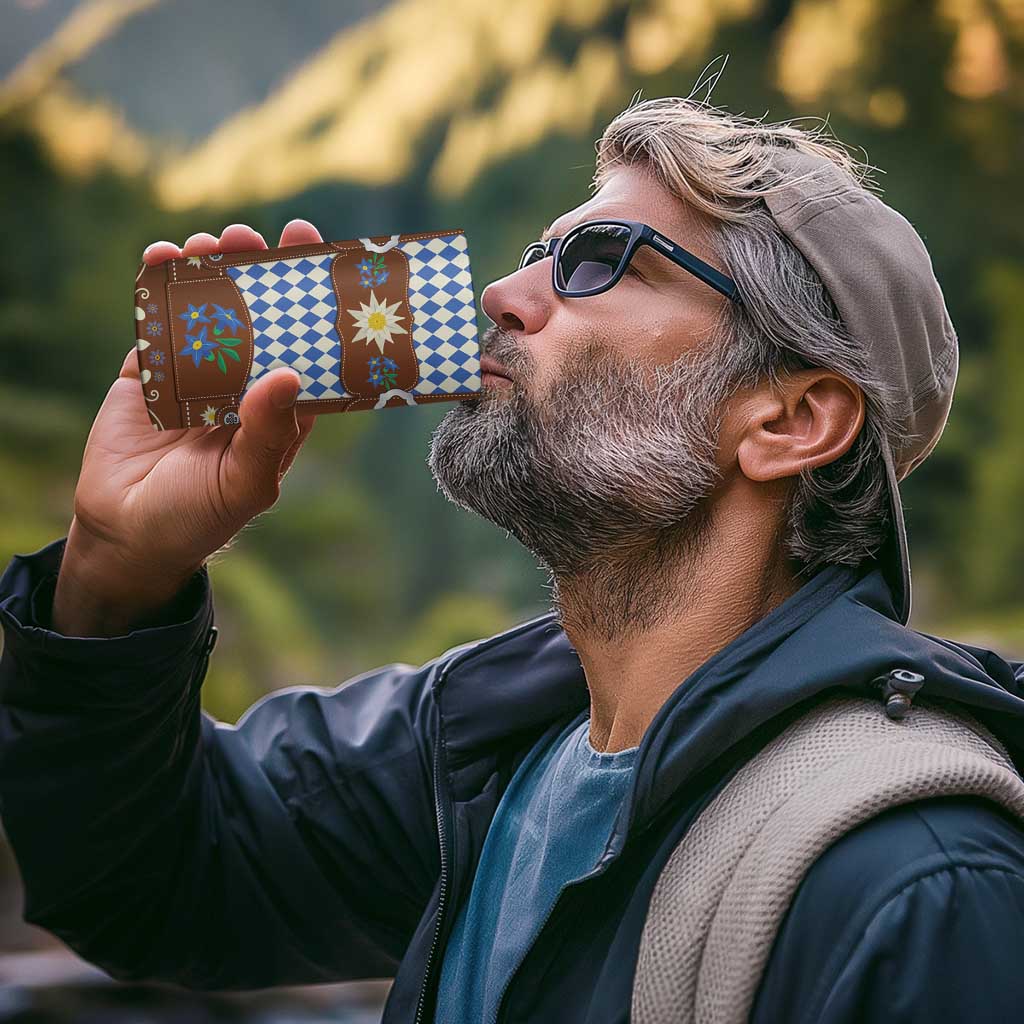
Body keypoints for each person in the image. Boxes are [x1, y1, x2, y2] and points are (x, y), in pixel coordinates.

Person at [2, 95, 1024, 1024]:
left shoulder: (918, 884)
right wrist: (116, 570)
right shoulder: (479, 749)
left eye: (599, 261)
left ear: (791, 419)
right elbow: (149, 880)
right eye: (540, 252)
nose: (503, 291)